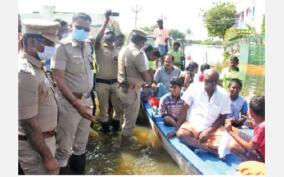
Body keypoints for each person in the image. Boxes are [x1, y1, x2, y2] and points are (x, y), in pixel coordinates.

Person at [52, 12, 96, 174]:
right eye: (78, 27)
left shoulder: (88, 46)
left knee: (81, 145)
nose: (82, 31)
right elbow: (58, 79)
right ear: (71, 26)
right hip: (70, 104)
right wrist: (76, 104)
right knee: (64, 147)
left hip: (87, 101)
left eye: (86, 28)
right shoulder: (62, 47)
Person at [18, 19, 60, 175]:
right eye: (49, 44)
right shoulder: (25, 73)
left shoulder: (37, 66)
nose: (52, 48)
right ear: (32, 42)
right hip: (36, 148)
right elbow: (28, 123)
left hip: (45, 141)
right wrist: (48, 158)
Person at [168, 69, 232, 154]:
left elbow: (223, 117)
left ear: (216, 82)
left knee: (227, 144)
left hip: (212, 127)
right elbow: (184, 110)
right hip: (193, 125)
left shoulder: (224, 94)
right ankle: (207, 148)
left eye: (212, 82)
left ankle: (200, 143)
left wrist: (208, 131)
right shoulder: (194, 87)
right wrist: (176, 129)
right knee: (181, 134)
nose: (208, 84)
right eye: (206, 80)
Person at [117, 29, 152, 146]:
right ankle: (125, 148)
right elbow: (146, 76)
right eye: (144, 41)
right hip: (132, 91)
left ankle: (123, 139)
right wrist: (150, 80)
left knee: (125, 118)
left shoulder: (124, 49)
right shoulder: (137, 53)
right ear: (141, 41)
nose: (144, 44)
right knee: (130, 122)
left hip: (122, 88)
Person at [94, 10, 123, 133]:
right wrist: (105, 22)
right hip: (102, 83)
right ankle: (105, 132)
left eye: (111, 34)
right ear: (104, 36)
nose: (109, 35)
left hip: (116, 83)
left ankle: (116, 128)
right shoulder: (99, 47)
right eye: (107, 34)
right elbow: (97, 39)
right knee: (104, 109)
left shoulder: (118, 49)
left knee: (119, 108)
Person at [225, 96, 265, 162]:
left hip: (262, 155)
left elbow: (250, 147)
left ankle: (249, 163)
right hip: (259, 146)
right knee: (235, 130)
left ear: (251, 112)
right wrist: (252, 123)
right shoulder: (262, 122)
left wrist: (230, 132)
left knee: (233, 147)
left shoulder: (262, 127)